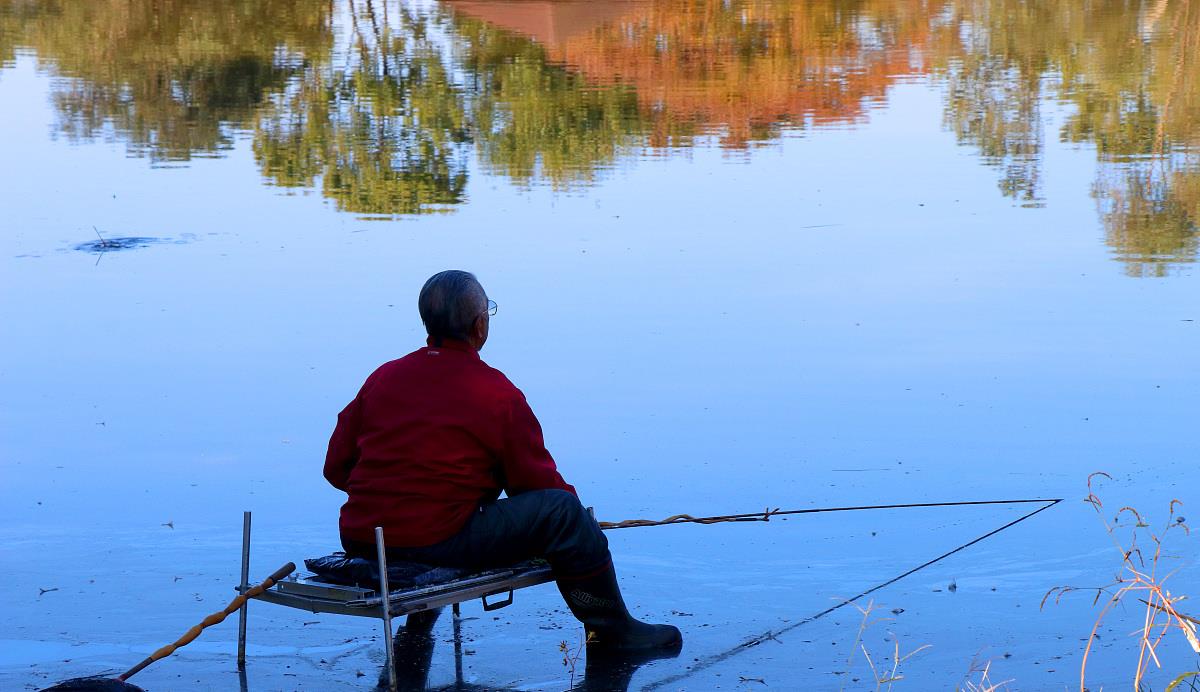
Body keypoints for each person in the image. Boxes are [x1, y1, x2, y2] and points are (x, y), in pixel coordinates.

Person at [323, 270, 681, 651]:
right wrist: (584, 526)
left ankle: (418, 631)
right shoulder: (495, 392)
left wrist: (400, 497)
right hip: (434, 540)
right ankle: (615, 632)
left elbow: (336, 467)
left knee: (454, 509)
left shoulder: (383, 377)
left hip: (361, 537)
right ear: (480, 325)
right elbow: (534, 485)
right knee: (562, 512)